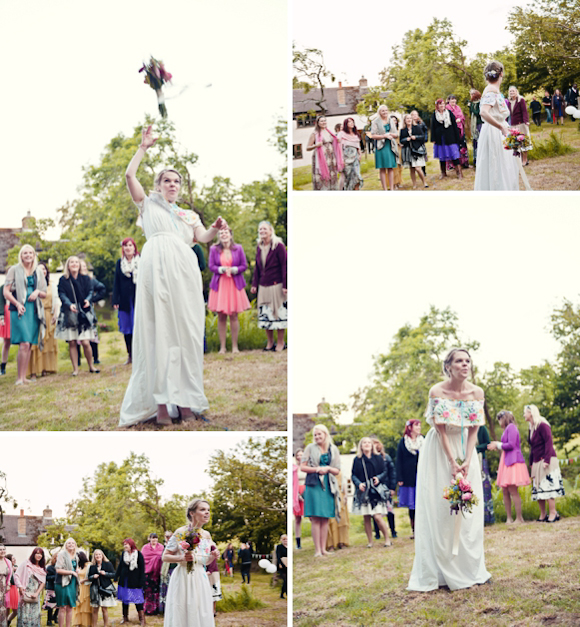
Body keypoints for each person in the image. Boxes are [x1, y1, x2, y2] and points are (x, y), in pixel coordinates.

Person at [120, 125, 227, 427]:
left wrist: (215, 229)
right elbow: (129, 177)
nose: (172, 184)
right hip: (156, 272)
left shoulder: (187, 215)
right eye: (167, 180)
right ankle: (162, 405)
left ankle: (186, 400)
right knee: (159, 332)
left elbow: (202, 237)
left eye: (176, 181)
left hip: (184, 274)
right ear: (158, 185)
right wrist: (143, 147)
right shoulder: (148, 205)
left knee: (185, 333)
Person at [408, 348, 491, 591]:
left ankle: (469, 567)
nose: (464, 365)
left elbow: (474, 427)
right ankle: (441, 570)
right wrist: (452, 462)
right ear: (449, 366)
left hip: (466, 446)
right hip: (439, 450)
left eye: (467, 361)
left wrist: (466, 459)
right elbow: (441, 429)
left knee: (468, 507)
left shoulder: (477, 392)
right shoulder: (437, 391)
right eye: (459, 361)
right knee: (441, 506)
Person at [162, 499, 220, 627]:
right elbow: (165, 557)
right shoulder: (180, 532)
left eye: (208, 510)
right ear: (192, 513)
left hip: (200, 576)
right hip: (183, 576)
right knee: (181, 610)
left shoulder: (206, 535)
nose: (207, 513)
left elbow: (204, 561)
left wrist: (212, 556)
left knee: (201, 610)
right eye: (202, 510)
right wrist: (181, 558)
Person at [2, 244, 47, 385]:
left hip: (33, 310)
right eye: (25, 253)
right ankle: (18, 379)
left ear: (34, 255)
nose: (28, 255)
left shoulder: (38, 272)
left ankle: (24, 377)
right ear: (21, 255)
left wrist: (37, 292)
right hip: (19, 310)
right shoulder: (14, 270)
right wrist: (17, 303)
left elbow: (44, 293)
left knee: (29, 344)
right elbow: (6, 292)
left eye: (30, 253)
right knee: (24, 343)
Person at [474, 60, 520, 191]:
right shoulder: (491, 91)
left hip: (499, 131)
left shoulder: (494, 90)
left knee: (504, 166)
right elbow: (483, 112)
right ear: (501, 74)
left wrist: (506, 127)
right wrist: (501, 127)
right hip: (494, 132)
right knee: (497, 166)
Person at [208, 228, 250, 354]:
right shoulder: (214, 249)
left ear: (230, 235)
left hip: (234, 284)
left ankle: (235, 347)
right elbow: (211, 266)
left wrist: (234, 270)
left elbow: (244, 265)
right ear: (219, 236)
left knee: (234, 316)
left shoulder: (239, 248)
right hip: (220, 285)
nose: (223, 235)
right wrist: (220, 269)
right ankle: (222, 347)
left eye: (226, 232)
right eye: (221, 233)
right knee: (221, 316)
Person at [301, 424, 341, 557]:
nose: (317, 437)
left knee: (325, 517)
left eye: (319, 434)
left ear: (325, 434)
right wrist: (317, 469)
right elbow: (303, 467)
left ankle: (324, 549)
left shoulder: (333, 449)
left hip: (328, 485)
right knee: (316, 517)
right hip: (313, 484)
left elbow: (337, 470)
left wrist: (328, 468)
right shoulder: (309, 448)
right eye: (315, 435)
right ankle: (317, 550)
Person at [55, 256, 99, 376]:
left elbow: (90, 291)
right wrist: (69, 305)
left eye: (76, 262)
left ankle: (91, 366)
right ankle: (75, 369)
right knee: (72, 342)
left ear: (79, 265)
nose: (74, 264)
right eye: (71, 262)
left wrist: (88, 300)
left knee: (85, 342)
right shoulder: (63, 280)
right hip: (70, 313)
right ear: (68, 266)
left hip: (84, 313)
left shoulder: (85, 278)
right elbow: (62, 294)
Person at [487, 410, 530, 524]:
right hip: (506, 460)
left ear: (504, 418)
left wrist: (498, 445)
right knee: (505, 490)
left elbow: (511, 445)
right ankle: (509, 518)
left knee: (512, 489)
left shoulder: (512, 427)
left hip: (513, 461)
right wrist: (498, 444)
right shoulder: (507, 429)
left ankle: (519, 518)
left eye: (499, 420)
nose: (499, 422)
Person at [250, 221, 287, 352]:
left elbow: (285, 265)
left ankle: (281, 343)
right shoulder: (259, 247)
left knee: (278, 314)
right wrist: (254, 284)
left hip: (277, 285)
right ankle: (270, 343)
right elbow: (257, 269)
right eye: (260, 229)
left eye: (265, 229)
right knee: (266, 314)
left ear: (271, 230)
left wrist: (286, 284)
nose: (262, 231)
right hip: (263, 285)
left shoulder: (278, 246)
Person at [524, 405, 565, 522]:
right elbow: (532, 447)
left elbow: (549, 442)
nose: (524, 415)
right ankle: (543, 514)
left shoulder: (542, 424)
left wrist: (547, 460)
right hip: (537, 461)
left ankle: (553, 513)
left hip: (547, 459)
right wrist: (531, 462)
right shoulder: (531, 428)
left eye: (525, 413)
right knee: (538, 489)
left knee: (548, 487)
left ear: (531, 413)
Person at [351, 437, 392, 548]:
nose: (367, 444)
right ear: (361, 445)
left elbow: (385, 471)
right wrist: (359, 484)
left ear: (372, 445)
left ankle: (387, 539)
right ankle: (370, 542)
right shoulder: (357, 459)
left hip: (376, 491)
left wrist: (378, 478)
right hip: (364, 492)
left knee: (378, 517)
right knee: (366, 517)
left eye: (369, 442)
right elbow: (353, 475)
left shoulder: (378, 458)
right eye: (364, 442)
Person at [27, 262, 59, 378]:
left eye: (44, 269)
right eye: (40, 269)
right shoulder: (33, 285)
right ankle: (34, 371)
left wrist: (55, 314)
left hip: (49, 314)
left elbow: (56, 300)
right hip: (36, 315)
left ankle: (45, 368)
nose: (43, 271)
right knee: (36, 343)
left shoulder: (52, 284)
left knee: (48, 343)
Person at [112, 237, 140, 365]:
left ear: (134, 248)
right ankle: (130, 355)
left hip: (138, 299)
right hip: (124, 300)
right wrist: (115, 299)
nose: (128, 248)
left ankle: (140, 354)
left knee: (139, 327)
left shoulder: (141, 261)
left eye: (130, 245)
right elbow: (116, 282)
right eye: (125, 246)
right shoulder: (119, 263)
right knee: (127, 328)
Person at [396, 419, 424, 539]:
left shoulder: (424, 441)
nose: (419, 428)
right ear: (410, 427)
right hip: (408, 477)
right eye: (416, 425)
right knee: (412, 505)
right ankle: (414, 530)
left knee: (422, 503)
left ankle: (424, 529)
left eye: (420, 426)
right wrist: (400, 477)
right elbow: (399, 460)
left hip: (422, 475)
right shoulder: (403, 442)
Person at [78, 260, 106, 366]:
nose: (84, 268)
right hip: (76, 310)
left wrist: (93, 299)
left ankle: (96, 357)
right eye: (82, 266)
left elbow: (102, 289)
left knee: (92, 335)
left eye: (85, 266)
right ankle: (78, 360)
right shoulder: (72, 280)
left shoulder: (91, 280)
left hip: (88, 311)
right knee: (77, 336)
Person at [306, 116, 343, 191]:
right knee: (322, 177)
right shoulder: (315, 133)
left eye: (324, 121)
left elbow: (333, 143)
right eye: (321, 121)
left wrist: (337, 141)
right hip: (321, 159)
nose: (323, 122)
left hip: (331, 158)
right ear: (318, 123)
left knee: (332, 176)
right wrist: (316, 145)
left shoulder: (329, 132)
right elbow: (307, 148)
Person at [114, 539, 145, 626]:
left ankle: (142, 619)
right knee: (125, 599)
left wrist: (142, 582)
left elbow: (142, 569)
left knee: (137, 599)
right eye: (124, 545)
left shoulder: (138, 555)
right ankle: (125, 618)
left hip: (135, 581)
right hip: (125, 580)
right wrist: (116, 576)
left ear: (131, 545)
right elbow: (120, 566)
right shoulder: (124, 554)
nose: (125, 546)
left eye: (126, 544)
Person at [367, 105, 397, 191]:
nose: (385, 112)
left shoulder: (391, 120)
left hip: (390, 146)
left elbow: (396, 134)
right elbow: (372, 135)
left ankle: (391, 188)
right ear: (379, 112)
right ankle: (385, 189)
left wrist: (390, 135)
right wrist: (384, 136)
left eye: (386, 110)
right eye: (383, 111)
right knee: (382, 168)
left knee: (391, 167)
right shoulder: (375, 122)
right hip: (381, 147)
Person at [430, 99, 463, 179]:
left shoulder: (449, 113)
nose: (442, 106)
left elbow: (455, 126)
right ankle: (443, 173)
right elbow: (432, 127)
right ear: (437, 106)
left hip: (450, 137)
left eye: (443, 104)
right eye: (440, 104)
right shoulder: (435, 115)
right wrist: (433, 138)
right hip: (440, 139)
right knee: (442, 155)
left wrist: (457, 137)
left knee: (454, 154)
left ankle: (459, 173)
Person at [372, 438, 397, 539]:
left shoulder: (386, 458)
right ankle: (377, 533)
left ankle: (393, 531)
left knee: (389, 511)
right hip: (374, 489)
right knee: (375, 512)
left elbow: (392, 473)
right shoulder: (369, 459)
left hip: (386, 488)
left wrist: (392, 487)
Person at [14, 548, 46, 627]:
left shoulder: (41, 568)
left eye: (41, 554)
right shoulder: (26, 563)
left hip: (35, 594)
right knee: (24, 615)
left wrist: (36, 593)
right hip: (25, 593)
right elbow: (16, 575)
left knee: (35, 616)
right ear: (33, 554)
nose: (39, 555)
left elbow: (43, 582)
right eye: (37, 553)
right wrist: (20, 587)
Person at [87, 549, 116, 627]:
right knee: (95, 609)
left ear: (102, 555)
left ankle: (105, 625)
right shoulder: (92, 566)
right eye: (96, 555)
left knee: (104, 609)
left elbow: (113, 575)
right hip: (95, 590)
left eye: (99, 554)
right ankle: (94, 625)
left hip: (105, 589)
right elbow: (89, 577)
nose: (98, 556)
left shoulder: (108, 564)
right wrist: (93, 576)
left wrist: (105, 573)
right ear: (94, 556)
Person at [55, 538, 79, 627]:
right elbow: (58, 570)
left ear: (75, 545)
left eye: (73, 543)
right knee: (62, 607)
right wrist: (71, 572)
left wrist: (76, 571)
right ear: (66, 545)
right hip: (62, 583)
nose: (71, 544)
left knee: (70, 607)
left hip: (72, 583)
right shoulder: (62, 554)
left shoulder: (76, 556)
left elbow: (74, 568)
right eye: (69, 543)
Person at [400, 114, 428, 188]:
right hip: (408, 151)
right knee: (411, 169)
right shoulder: (403, 130)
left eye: (410, 118)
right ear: (405, 121)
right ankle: (414, 184)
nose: (409, 120)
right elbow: (401, 140)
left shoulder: (417, 127)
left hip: (416, 150)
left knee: (417, 168)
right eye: (407, 119)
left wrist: (415, 137)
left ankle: (424, 182)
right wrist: (406, 139)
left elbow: (422, 137)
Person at [507, 86, 531, 166]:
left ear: (516, 91)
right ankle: (519, 160)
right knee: (516, 143)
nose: (512, 93)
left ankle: (525, 160)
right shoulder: (508, 101)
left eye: (513, 91)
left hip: (521, 124)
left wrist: (526, 121)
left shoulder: (521, 100)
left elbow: (524, 111)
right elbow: (508, 114)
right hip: (513, 125)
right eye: (510, 91)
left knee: (524, 142)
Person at [476, 424, 495, 524]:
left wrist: (475, 448)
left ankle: (487, 517)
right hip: (468, 460)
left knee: (484, 488)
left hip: (480, 459)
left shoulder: (482, 428)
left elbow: (487, 444)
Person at [326, 470, 350, 550]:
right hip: (329, 495)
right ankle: (331, 544)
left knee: (342, 519)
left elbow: (344, 483)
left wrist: (346, 495)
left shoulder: (340, 472)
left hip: (340, 495)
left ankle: (342, 542)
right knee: (331, 520)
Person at [337, 118, 363, 190]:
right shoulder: (341, 134)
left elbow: (358, 146)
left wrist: (360, 154)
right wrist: (341, 159)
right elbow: (339, 147)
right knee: (347, 177)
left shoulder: (355, 134)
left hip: (355, 157)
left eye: (352, 122)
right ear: (346, 124)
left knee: (357, 176)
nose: (352, 123)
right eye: (349, 122)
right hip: (346, 158)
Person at [142, 533, 164, 616]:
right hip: (148, 573)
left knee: (157, 591)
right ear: (149, 539)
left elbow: (163, 558)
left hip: (158, 572)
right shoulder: (145, 548)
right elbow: (143, 559)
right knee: (148, 592)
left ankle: (157, 609)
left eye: (155, 539)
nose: (154, 540)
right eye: (152, 538)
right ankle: (148, 610)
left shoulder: (161, 547)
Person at [446, 95, 469, 169]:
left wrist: (460, 119)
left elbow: (462, 116)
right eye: (452, 100)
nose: (453, 101)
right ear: (448, 100)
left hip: (460, 129)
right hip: (451, 129)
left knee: (462, 145)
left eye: (454, 99)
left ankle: (464, 163)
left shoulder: (458, 107)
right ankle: (452, 165)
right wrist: (454, 120)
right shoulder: (447, 108)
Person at [159, 532, 177, 614]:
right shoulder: (164, 546)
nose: (168, 538)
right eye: (166, 536)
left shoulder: (175, 545)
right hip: (166, 570)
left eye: (169, 536)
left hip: (174, 569)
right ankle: (164, 608)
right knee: (165, 590)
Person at [71, 552, 90, 627]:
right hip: (77, 587)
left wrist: (83, 580)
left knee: (85, 605)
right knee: (77, 604)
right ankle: (78, 623)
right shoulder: (76, 566)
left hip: (85, 586)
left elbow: (90, 576)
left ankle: (86, 623)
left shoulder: (88, 565)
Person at [293, 450, 306, 549]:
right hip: (297, 491)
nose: (300, 456)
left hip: (307, 491)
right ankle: (298, 543)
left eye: (302, 454)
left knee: (311, 516)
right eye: (298, 455)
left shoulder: (307, 466)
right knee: (298, 519)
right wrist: (297, 494)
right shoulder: (294, 468)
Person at [43, 553, 59, 627]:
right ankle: (49, 620)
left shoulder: (62, 567)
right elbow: (47, 578)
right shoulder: (50, 567)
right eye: (57, 557)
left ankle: (55, 616)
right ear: (54, 558)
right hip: (51, 588)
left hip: (59, 588)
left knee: (59, 604)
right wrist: (55, 576)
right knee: (50, 605)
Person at [468, 90, 483, 167]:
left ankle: (481, 159)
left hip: (480, 124)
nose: (471, 96)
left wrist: (471, 107)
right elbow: (471, 113)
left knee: (480, 141)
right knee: (475, 142)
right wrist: (470, 107)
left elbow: (477, 113)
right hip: (474, 125)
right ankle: (475, 159)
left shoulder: (480, 103)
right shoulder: (472, 104)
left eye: (472, 94)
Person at [0, 545, 12, 627]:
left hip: (3, 587)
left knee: (2, 607)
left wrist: (8, 584)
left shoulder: (8, 562)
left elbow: (10, 575)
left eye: (4, 549)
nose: (2, 551)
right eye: (0, 549)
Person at [5, 555, 18, 626]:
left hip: (14, 590)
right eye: (13, 558)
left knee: (15, 611)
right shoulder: (7, 568)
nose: (14, 559)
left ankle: (8, 621)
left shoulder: (16, 567)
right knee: (6, 609)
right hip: (9, 589)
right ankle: (5, 624)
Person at [275, 535, 288, 599]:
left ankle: (282, 594)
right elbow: (278, 556)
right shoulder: (279, 547)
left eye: (286, 539)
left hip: (288, 565)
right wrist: (280, 563)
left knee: (287, 580)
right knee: (285, 580)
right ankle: (287, 593)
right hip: (282, 565)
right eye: (284, 539)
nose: (285, 541)